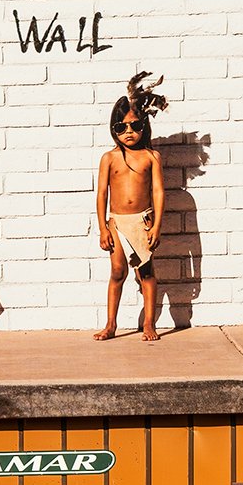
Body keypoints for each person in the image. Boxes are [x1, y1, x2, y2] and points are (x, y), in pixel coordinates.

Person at [94, 73, 168, 343]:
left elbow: (158, 191)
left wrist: (157, 225)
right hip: (116, 223)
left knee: (145, 272)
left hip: (143, 221)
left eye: (135, 126)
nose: (129, 132)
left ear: (144, 125)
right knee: (117, 271)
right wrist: (102, 227)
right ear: (113, 128)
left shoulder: (151, 157)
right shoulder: (109, 158)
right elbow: (102, 192)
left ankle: (149, 323)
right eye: (121, 127)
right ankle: (111, 324)